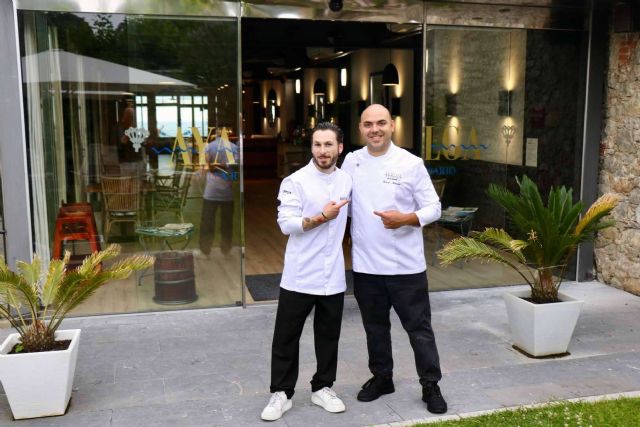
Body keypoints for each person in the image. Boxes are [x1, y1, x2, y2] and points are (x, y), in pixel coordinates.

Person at [341, 104, 448, 414]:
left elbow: (434, 207)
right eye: (368, 124)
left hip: (406, 268)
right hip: (366, 267)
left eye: (381, 123)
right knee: (375, 328)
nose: (375, 129)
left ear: (392, 127)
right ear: (360, 129)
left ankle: (430, 384)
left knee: (419, 329)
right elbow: (341, 204)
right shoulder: (352, 162)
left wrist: (406, 218)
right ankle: (382, 378)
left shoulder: (410, 163)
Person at [261, 122, 352, 421]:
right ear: (311, 147)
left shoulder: (348, 180)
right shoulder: (294, 181)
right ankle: (282, 393)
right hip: (299, 275)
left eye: (328, 145)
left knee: (329, 336)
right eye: (317, 145)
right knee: (286, 337)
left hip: (333, 276)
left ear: (340, 148)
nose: (322, 151)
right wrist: (321, 217)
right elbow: (286, 224)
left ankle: (322, 387)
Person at [198, 133, 239, 258]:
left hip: (211, 191)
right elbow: (235, 166)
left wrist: (202, 178)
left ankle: (205, 251)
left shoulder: (209, 147)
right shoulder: (233, 147)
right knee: (227, 223)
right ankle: (226, 250)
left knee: (207, 223)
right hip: (227, 192)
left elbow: (204, 167)